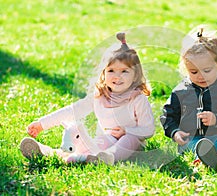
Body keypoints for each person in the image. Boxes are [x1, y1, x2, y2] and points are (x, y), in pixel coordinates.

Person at [20, 32, 155, 165]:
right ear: (103, 73)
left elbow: (148, 129)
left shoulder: (138, 99)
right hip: (104, 141)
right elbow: (72, 111)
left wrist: (127, 131)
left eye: (124, 71)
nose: (117, 77)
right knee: (81, 137)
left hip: (131, 144)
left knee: (128, 139)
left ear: (136, 74)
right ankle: (49, 152)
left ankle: (108, 158)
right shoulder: (100, 96)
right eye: (111, 71)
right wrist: (42, 124)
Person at [160, 26, 217, 169]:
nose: (200, 76)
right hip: (191, 137)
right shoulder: (181, 91)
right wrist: (175, 132)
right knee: (196, 145)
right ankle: (206, 157)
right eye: (193, 72)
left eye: (207, 70)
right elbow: (167, 115)